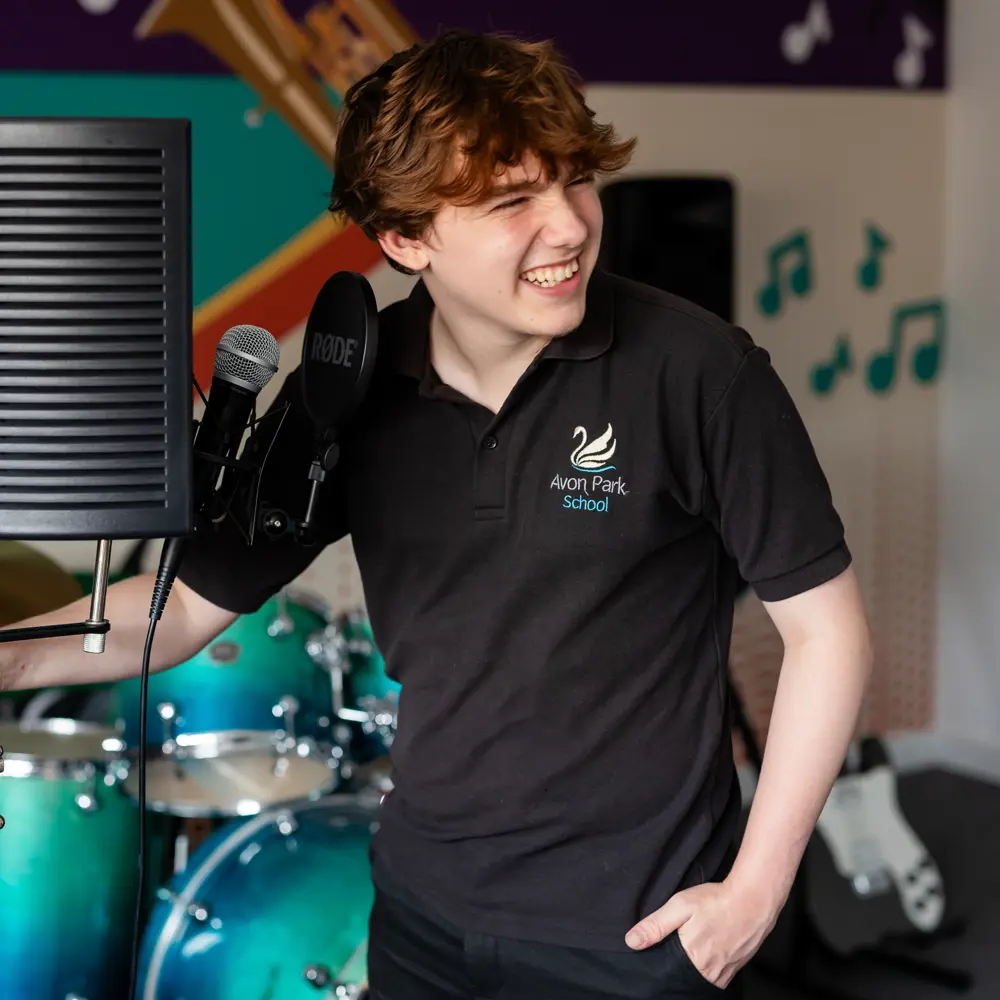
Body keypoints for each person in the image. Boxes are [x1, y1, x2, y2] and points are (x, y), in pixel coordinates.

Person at [0, 28, 873, 1000]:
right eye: (512, 202)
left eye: (574, 179)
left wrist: (752, 892)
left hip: (634, 933)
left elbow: (827, 633)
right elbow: (177, 612)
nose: (571, 225)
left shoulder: (702, 375)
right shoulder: (341, 390)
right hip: (421, 912)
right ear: (405, 237)